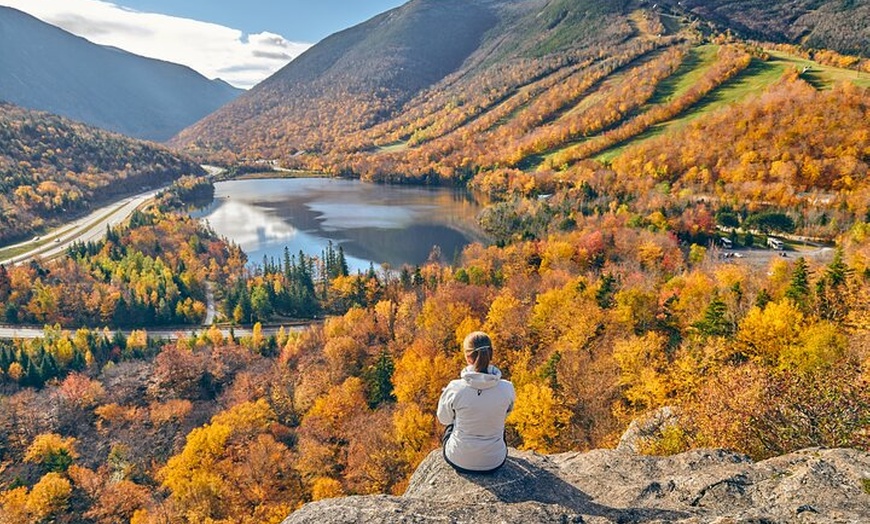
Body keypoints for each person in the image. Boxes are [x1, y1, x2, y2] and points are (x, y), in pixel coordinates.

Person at [437, 331, 515, 473]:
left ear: (468, 357)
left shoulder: (455, 388)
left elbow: (444, 419)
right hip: (495, 461)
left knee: (451, 425)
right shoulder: (507, 388)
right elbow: (506, 413)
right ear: (491, 354)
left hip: (458, 459)